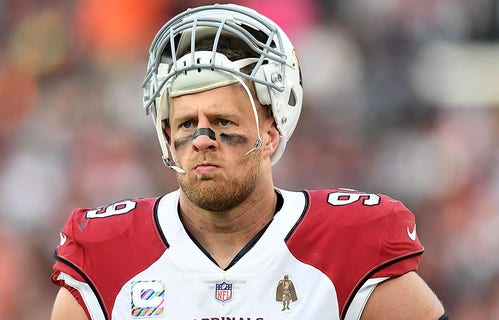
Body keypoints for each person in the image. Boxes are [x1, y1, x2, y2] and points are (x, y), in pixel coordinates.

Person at [50, 4, 447, 320]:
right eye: (188, 123)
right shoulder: (106, 253)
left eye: (223, 121)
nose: (203, 140)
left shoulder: (349, 243)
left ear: (271, 133)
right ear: (167, 138)